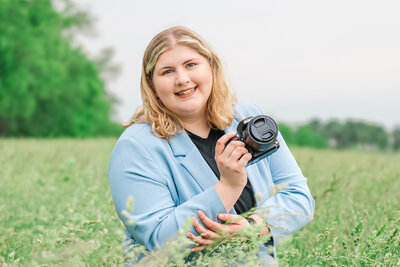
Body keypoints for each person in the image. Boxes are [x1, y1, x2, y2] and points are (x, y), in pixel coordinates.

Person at [108, 26, 315, 265]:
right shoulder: (136, 147)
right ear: (151, 83)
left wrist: (253, 227)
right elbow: (160, 240)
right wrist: (228, 186)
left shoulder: (248, 117)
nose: (182, 79)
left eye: (191, 65)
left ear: (211, 66)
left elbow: (300, 197)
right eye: (167, 71)